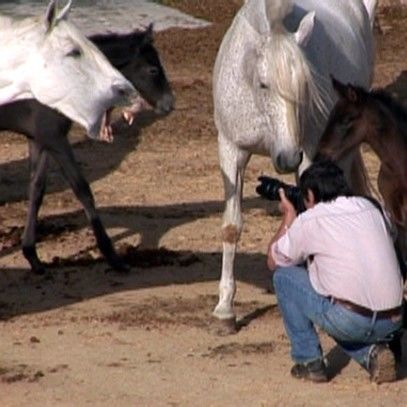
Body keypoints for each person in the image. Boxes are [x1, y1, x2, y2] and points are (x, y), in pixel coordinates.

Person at [266, 160, 404, 384]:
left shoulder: (311, 219)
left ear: (309, 194)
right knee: (338, 295)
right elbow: (391, 236)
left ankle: (309, 362)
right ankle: (372, 356)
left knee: (285, 277)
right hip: (395, 320)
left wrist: (289, 217)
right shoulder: (373, 207)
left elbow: (274, 261)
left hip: (351, 321)